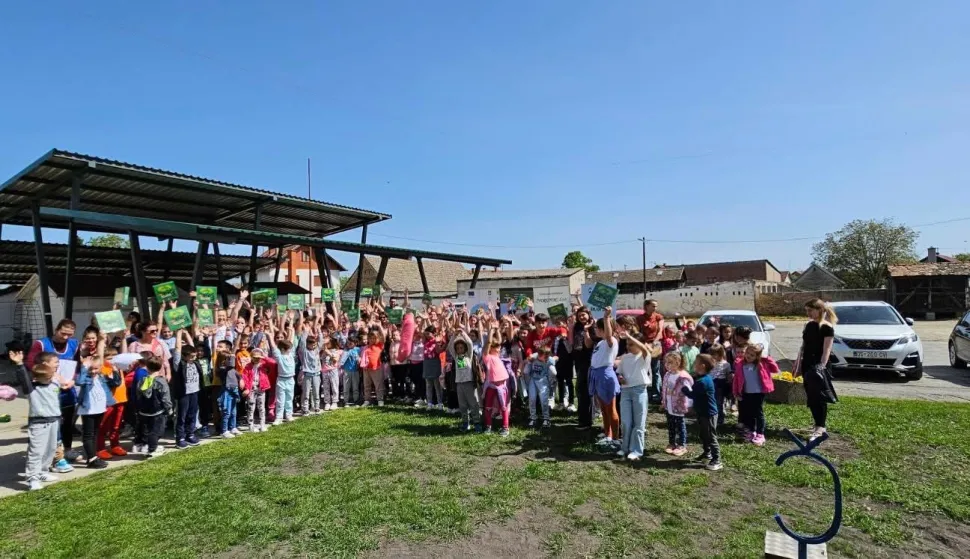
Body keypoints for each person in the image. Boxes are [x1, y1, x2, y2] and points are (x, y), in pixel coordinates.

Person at [25, 319, 80, 467]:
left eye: (69, 334)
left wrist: (73, 380)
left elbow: (77, 365)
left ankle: (67, 450)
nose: (66, 337)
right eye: (63, 333)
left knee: (68, 423)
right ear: (56, 329)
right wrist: (50, 375)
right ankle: (48, 456)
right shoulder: (41, 344)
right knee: (51, 424)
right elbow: (31, 364)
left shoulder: (74, 344)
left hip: (67, 390)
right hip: (47, 390)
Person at [20, 350, 74, 490]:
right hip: (39, 424)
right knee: (36, 451)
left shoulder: (54, 384)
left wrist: (56, 374)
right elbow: (24, 379)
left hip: (54, 421)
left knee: (50, 449)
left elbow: (64, 382)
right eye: (49, 376)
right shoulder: (32, 389)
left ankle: (43, 472)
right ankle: (33, 478)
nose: (52, 378)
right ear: (37, 378)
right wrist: (20, 364)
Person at [74, 333, 121, 469]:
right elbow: (79, 381)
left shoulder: (100, 377)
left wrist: (115, 371)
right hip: (88, 409)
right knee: (88, 435)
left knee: (95, 433)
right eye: (92, 369)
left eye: (96, 368)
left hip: (100, 408)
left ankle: (93, 456)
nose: (94, 371)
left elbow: (116, 382)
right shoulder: (86, 378)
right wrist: (84, 368)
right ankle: (92, 458)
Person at [795, 299, 839, 441]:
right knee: (811, 397)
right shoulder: (808, 325)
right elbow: (803, 347)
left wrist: (821, 367)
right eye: (806, 310)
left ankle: (821, 427)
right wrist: (798, 364)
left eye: (810, 310)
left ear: (819, 310)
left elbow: (827, 349)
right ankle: (816, 425)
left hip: (819, 366)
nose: (807, 313)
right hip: (807, 364)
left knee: (819, 397)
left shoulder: (826, 327)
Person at [733, 344, 778, 447]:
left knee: (758, 413)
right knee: (749, 413)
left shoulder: (762, 364)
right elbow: (737, 379)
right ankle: (751, 431)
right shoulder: (740, 364)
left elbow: (775, 369)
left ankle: (760, 434)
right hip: (745, 392)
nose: (749, 356)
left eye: (752, 355)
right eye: (748, 353)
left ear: (758, 356)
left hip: (758, 393)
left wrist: (766, 357)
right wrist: (736, 392)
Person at [616, 328, 651, 461]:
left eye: (631, 344)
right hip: (626, 391)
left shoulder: (643, 356)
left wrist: (630, 336)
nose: (628, 346)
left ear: (639, 343)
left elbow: (645, 348)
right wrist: (620, 377)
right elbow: (619, 372)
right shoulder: (625, 358)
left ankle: (636, 450)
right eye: (627, 344)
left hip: (639, 391)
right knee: (625, 422)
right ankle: (624, 448)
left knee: (639, 423)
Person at [683, 354, 722, 471]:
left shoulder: (703, 382)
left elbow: (692, 394)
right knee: (704, 435)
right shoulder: (701, 378)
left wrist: (684, 389)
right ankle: (707, 453)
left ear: (702, 366)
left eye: (696, 362)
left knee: (710, 436)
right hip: (702, 412)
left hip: (709, 414)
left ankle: (717, 459)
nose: (694, 364)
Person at [589, 307, 620, 450]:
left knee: (610, 408)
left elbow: (608, 335)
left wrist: (606, 317)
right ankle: (608, 434)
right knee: (603, 409)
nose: (594, 329)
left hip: (606, 376)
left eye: (596, 327)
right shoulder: (601, 342)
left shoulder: (610, 340)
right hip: (597, 375)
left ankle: (616, 439)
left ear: (603, 329)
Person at [135, 356, 173, 457]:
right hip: (157, 411)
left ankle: (150, 446)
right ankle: (152, 450)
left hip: (144, 410)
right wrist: (169, 409)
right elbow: (165, 397)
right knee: (156, 431)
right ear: (160, 367)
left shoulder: (143, 380)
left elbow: (139, 394)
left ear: (147, 367)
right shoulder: (161, 381)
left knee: (148, 430)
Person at [95, 346, 128, 460]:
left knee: (116, 425)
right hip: (108, 402)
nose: (113, 360)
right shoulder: (103, 368)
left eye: (115, 357)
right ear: (103, 359)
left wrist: (124, 338)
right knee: (103, 426)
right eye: (109, 358)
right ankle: (100, 448)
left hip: (121, 400)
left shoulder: (119, 366)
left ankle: (115, 445)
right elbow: (114, 383)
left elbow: (125, 354)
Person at [171, 332, 203, 449]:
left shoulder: (195, 362)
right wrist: (179, 334)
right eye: (192, 356)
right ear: (184, 356)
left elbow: (192, 346)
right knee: (182, 416)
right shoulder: (179, 364)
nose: (195, 357)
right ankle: (180, 437)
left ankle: (190, 434)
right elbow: (178, 349)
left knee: (192, 414)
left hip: (194, 392)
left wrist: (186, 333)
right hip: (183, 394)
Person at [448, 331, 481, 432]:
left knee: (473, 404)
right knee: (462, 405)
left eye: (461, 347)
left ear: (465, 348)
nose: (459, 350)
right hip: (459, 384)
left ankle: (477, 423)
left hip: (469, 383)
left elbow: (470, 343)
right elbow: (450, 347)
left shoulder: (469, 356)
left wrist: (463, 333)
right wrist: (454, 335)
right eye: (457, 348)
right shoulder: (456, 357)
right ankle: (465, 423)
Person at [481, 327, 511, 437]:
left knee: (503, 407)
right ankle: (488, 426)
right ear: (490, 348)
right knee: (488, 406)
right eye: (496, 347)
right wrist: (491, 331)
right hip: (491, 385)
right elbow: (488, 342)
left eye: (499, 347)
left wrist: (497, 329)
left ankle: (505, 427)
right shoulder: (487, 357)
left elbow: (499, 340)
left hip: (501, 386)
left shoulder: (497, 355)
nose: (499, 349)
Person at [661, 351, 692, 457]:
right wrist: (663, 401)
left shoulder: (683, 377)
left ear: (678, 362)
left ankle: (682, 445)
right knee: (671, 425)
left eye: (670, 362)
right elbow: (664, 389)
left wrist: (689, 405)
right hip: (669, 405)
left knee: (680, 425)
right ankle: (672, 443)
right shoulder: (667, 375)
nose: (667, 364)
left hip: (679, 405)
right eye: (666, 362)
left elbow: (688, 392)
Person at [522, 346, 555, 429]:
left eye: (547, 356)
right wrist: (529, 362)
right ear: (540, 354)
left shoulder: (549, 359)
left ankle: (546, 418)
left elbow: (553, 371)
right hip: (533, 380)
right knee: (532, 399)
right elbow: (526, 369)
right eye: (545, 356)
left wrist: (549, 382)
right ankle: (533, 417)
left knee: (544, 400)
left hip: (543, 380)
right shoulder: (534, 357)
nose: (546, 358)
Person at [214, 340, 242, 437]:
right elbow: (230, 363)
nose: (230, 360)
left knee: (234, 411)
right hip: (226, 391)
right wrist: (231, 355)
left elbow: (239, 375)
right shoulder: (222, 369)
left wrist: (241, 380)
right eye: (227, 359)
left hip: (234, 390)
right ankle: (224, 430)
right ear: (222, 361)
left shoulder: (232, 369)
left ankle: (233, 427)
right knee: (226, 411)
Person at [242, 349, 271, 432]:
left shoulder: (264, 365)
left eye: (259, 357)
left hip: (261, 389)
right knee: (251, 408)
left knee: (261, 408)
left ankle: (262, 425)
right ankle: (251, 426)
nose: (257, 359)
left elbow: (272, 363)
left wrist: (264, 357)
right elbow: (245, 378)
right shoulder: (248, 366)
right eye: (255, 357)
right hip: (252, 390)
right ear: (251, 357)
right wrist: (247, 388)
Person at [298, 331, 322, 415]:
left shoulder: (317, 350)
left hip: (316, 374)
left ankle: (317, 407)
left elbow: (320, 342)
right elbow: (302, 342)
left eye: (315, 345)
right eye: (312, 345)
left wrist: (319, 331)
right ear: (307, 344)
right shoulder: (305, 351)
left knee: (316, 392)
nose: (314, 346)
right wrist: (305, 332)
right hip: (307, 374)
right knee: (306, 392)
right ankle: (305, 409)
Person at [708, 344, 732, 427]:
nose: (712, 356)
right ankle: (711, 416)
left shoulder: (726, 364)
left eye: (714, 354)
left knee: (719, 402)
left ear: (721, 354)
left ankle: (720, 419)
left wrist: (729, 382)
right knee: (710, 401)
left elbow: (728, 375)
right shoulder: (711, 363)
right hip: (711, 384)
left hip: (720, 385)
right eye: (711, 354)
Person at [361, 330, 386, 407]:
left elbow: (383, 337)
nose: (372, 340)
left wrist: (379, 327)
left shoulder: (380, 345)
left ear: (378, 338)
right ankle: (367, 400)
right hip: (366, 369)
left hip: (377, 368)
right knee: (367, 385)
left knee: (378, 385)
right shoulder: (366, 347)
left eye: (374, 338)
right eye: (370, 338)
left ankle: (380, 400)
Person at [422, 326, 444, 410]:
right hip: (427, 363)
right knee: (428, 385)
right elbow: (423, 332)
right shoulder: (425, 341)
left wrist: (436, 341)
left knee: (437, 385)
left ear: (434, 333)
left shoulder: (437, 341)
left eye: (429, 334)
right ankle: (429, 403)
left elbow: (438, 351)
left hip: (435, 363)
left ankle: (440, 403)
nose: (427, 335)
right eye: (426, 334)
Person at [321, 337, 342, 411]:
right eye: (325, 344)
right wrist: (324, 350)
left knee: (334, 386)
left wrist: (328, 352)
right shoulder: (323, 351)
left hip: (333, 370)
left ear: (332, 343)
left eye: (327, 343)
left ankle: (334, 402)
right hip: (325, 371)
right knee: (326, 387)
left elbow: (336, 359)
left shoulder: (336, 351)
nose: (326, 345)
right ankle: (327, 402)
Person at [340, 338, 361, 407]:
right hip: (347, 371)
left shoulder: (358, 349)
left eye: (351, 343)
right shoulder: (345, 350)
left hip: (355, 371)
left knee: (355, 387)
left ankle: (356, 400)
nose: (349, 344)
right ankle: (345, 401)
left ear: (355, 343)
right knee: (346, 386)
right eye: (348, 343)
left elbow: (360, 358)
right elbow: (341, 361)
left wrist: (359, 360)